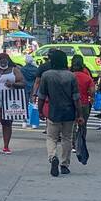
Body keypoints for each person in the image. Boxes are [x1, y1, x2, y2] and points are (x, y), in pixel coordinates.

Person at [37, 49, 82, 177]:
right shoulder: (71, 76)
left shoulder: (47, 75)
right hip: (69, 111)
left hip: (53, 111)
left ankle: (52, 157)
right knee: (67, 138)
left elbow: (42, 96)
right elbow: (76, 97)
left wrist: (40, 110)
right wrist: (80, 115)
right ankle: (64, 164)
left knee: (51, 137)